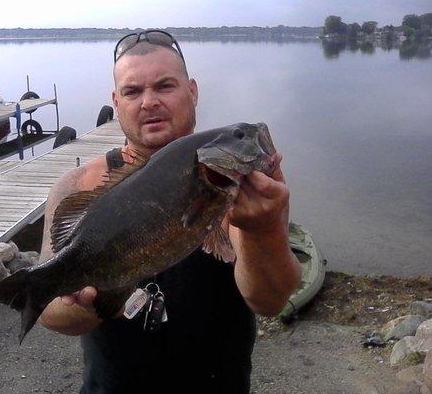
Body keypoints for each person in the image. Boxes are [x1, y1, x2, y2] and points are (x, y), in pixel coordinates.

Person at [38, 29, 301, 394]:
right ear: (116, 102)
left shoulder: (235, 182)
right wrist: (88, 303)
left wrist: (264, 230)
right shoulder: (77, 187)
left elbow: (270, 300)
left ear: (191, 91)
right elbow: (48, 309)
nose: (149, 102)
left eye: (165, 86)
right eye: (133, 91)